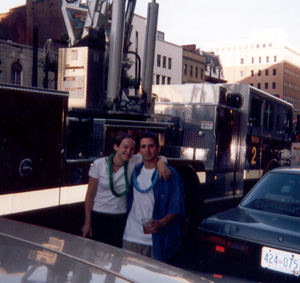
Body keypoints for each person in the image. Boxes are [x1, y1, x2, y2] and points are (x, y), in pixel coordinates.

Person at [82, 132, 170, 248]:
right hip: (99, 216)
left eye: (132, 149)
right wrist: (88, 222)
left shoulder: (134, 161)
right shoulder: (99, 165)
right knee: (97, 253)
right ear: (116, 147)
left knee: (116, 256)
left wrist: (161, 163)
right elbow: (90, 195)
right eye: (125, 147)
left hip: (120, 217)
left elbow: (154, 157)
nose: (128, 151)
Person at [123, 132, 185, 262]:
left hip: (155, 240)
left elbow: (176, 207)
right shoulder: (134, 170)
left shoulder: (169, 174)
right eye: (143, 146)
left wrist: (161, 223)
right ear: (139, 150)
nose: (147, 150)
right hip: (130, 236)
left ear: (158, 148)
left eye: (151, 146)